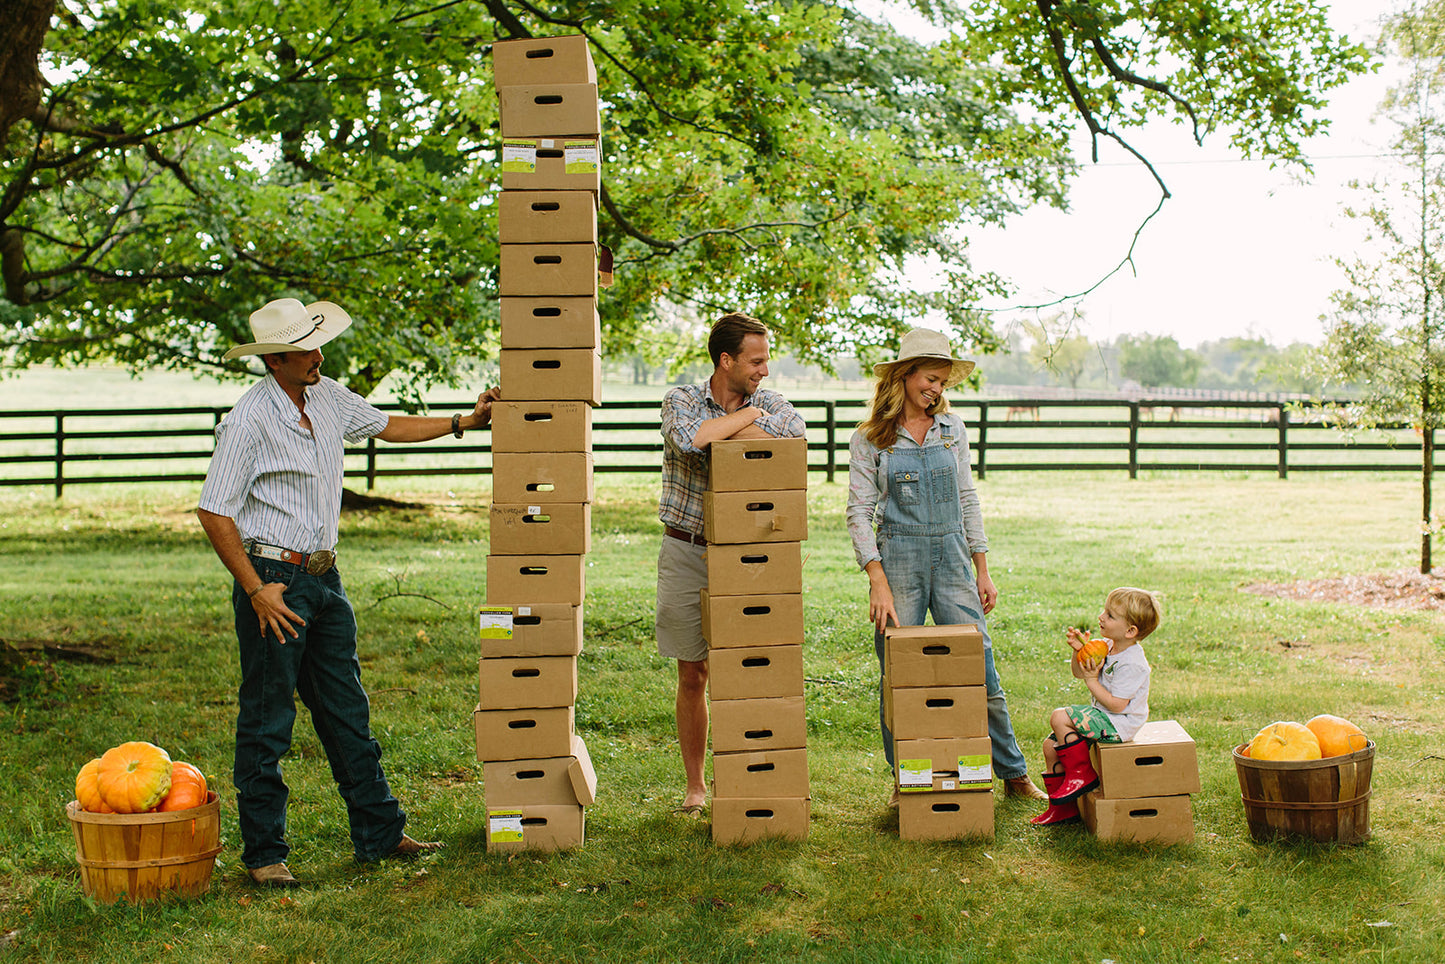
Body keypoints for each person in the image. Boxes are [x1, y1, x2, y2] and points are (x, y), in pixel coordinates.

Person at [197, 297, 500, 887]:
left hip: (325, 581)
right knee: (267, 720)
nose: (318, 355)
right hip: (274, 583)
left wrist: (465, 421)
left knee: (347, 711)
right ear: (275, 360)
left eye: (317, 343)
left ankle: (381, 835)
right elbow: (214, 512)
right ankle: (264, 855)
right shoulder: (248, 421)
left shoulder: (328, 395)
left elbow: (390, 426)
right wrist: (258, 590)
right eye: (305, 349)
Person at [845, 327, 1045, 805]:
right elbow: (858, 512)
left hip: (954, 557)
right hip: (899, 561)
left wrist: (983, 568)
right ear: (905, 376)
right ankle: (904, 780)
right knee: (900, 675)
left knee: (981, 667)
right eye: (930, 379)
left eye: (943, 383)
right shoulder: (871, 437)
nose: (936, 390)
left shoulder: (953, 432)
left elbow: (967, 499)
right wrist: (878, 579)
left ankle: (1013, 773)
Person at [656, 311, 806, 815]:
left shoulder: (772, 401)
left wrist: (729, 429)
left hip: (748, 556)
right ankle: (696, 785)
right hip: (687, 547)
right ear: (726, 360)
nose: (764, 371)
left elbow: (796, 441)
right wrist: (746, 421)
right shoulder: (680, 399)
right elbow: (690, 439)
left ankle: (745, 777)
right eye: (756, 361)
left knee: (746, 672)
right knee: (693, 672)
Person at [1031, 586, 1161, 826]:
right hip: (1104, 717)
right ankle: (1063, 809)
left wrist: (1092, 680)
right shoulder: (1107, 645)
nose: (1101, 616)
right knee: (1050, 746)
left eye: (1110, 615)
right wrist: (1078, 652)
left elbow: (1118, 705)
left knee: (1060, 717)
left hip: (1119, 723)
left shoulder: (1132, 663)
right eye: (1104, 610)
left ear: (1131, 631)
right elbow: (1078, 673)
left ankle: (1081, 774)